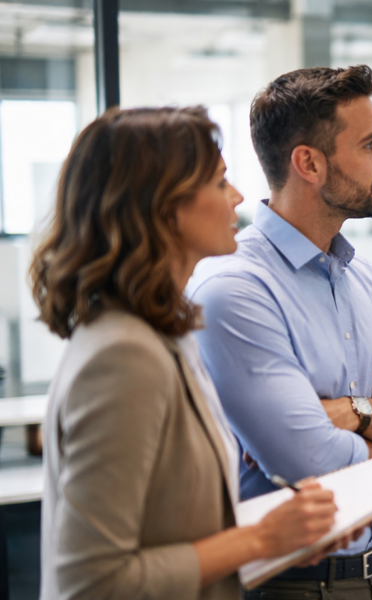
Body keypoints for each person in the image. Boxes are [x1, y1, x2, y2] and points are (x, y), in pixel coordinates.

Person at [30, 107, 348, 600]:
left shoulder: (161, 335)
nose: (239, 198)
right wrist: (259, 538)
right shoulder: (123, 356)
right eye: (220, 182)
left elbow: (168, 530)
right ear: (163, 206)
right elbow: (91, 582)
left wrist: (283, 534)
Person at [187, 65, 372, 600]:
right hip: (289, 584)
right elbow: (309, 464)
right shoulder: (234, 288)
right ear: (308, 163)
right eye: (370, 143)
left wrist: (354, 411)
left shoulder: (364, 278)